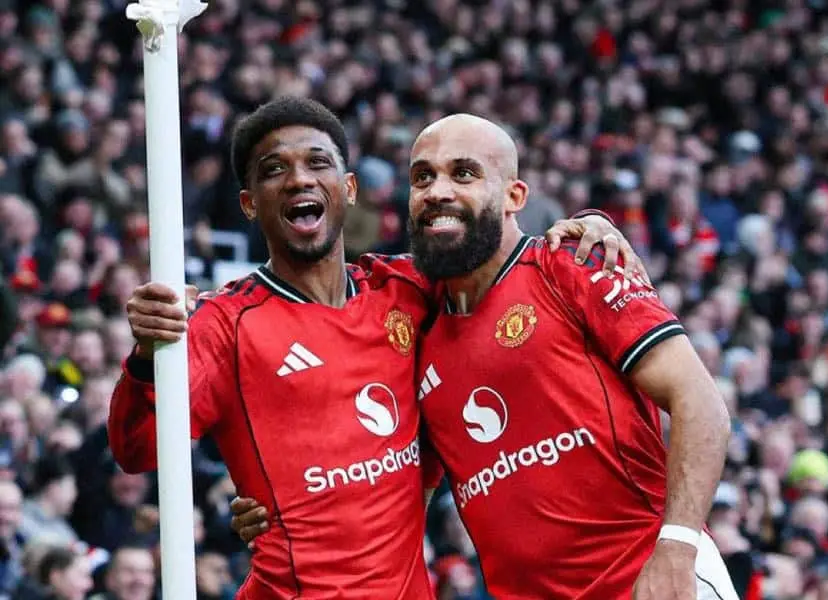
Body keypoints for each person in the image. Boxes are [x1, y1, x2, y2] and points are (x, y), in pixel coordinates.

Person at [108, 97, 640, 599]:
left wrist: (587, 227)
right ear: (249, 204)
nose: (299, 179)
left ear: (349, 188)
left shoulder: (406, 289)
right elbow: (137, 449)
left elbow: (490, 254)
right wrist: (149, 356)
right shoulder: (224, 323)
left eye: (317, 163)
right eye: (273, 170)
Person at [235, 113, 739, 599]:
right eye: (422, 177)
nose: (438, 191)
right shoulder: (414, 318)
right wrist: (281, 504)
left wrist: (678, 547)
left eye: (464, 174)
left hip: (649, 579)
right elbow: (391, 479)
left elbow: (701, 404)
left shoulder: (572, 265)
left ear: (514, 196)